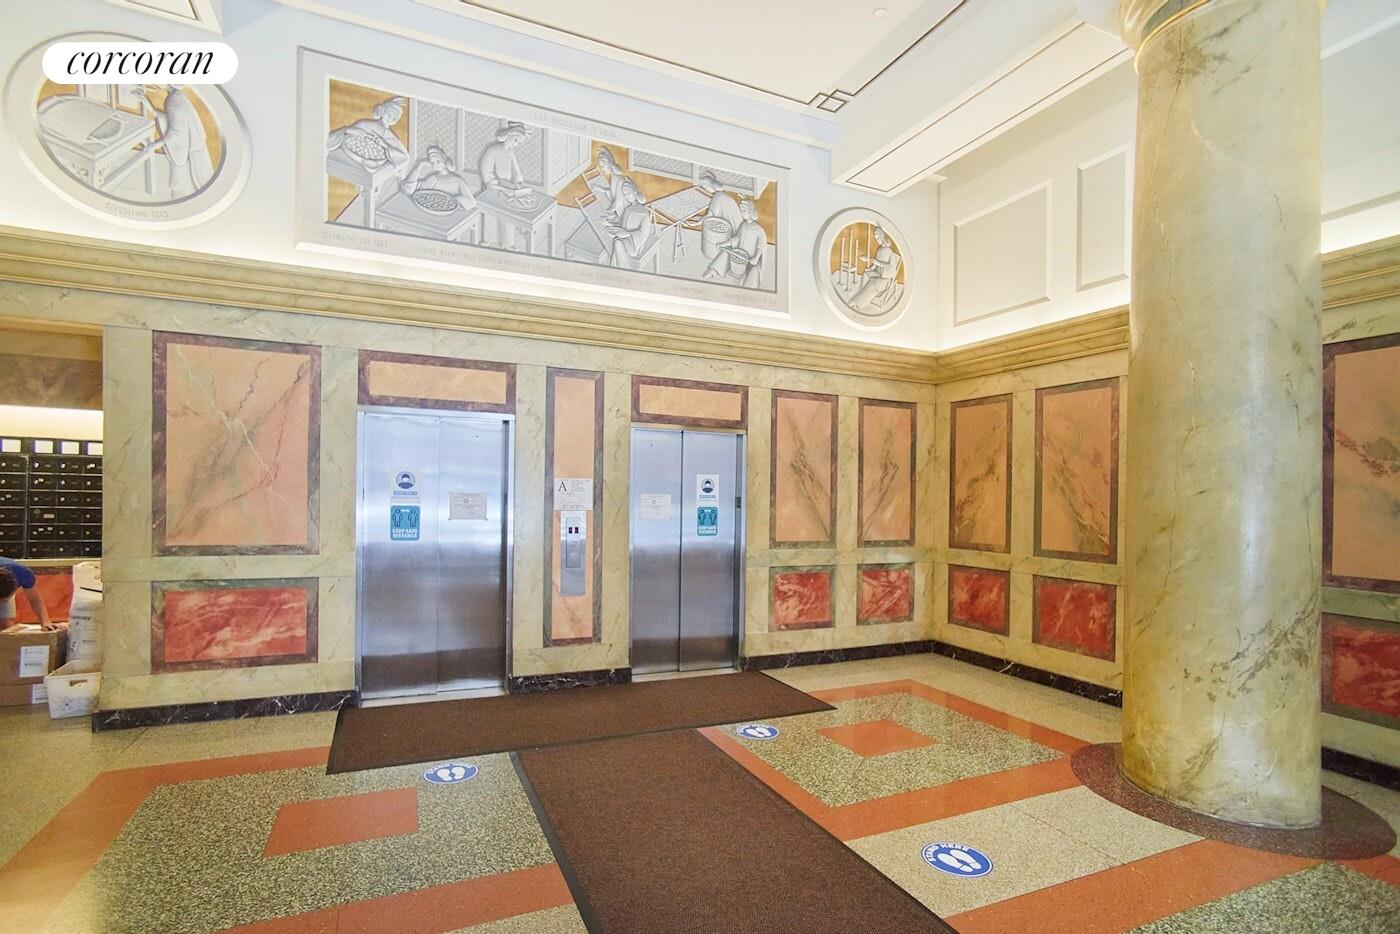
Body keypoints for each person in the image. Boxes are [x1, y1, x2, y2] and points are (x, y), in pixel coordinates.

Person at [135, 85, 215, 197]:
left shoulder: (173, 100)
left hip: (189, 151)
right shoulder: (178, 96)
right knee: (204, 184)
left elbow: (176, 132)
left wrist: (155, 144)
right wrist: (150, 106)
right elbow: (174, 124)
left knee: (193, 188)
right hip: (195, 144)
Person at [327, 96, 411, 176]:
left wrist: (384, 145)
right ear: (382, 111)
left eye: (394, 119)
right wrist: (353, 131)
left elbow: (404, 157)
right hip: (346, 160)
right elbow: (333, 137)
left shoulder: (391, 136)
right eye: (389, 115)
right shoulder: (365, 124)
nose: (390, 119)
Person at [704, 197, 766, 287]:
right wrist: (724, 244)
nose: (742, 213)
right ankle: (714, 270)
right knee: (726, 253)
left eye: (743, 211)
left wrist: (756, 258)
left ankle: (747, 285)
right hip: (739, 253)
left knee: (754, 271)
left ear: (750, 212)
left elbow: (761, 246)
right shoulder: (743, 225)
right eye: (741, 211)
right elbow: (736, 238)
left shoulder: (759, 230)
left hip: (750, 259)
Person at [401, 145, 477, 212]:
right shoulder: (433, 179)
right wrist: (420, 165)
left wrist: (452, 200)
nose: (435, 165)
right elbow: (409, 189)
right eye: (432, 162)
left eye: (438, 161)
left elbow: (471, 203)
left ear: (444, 160)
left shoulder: (458, 181)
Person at [850, 226, 903, 312]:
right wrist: (870, 269)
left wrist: (877, 263)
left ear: (882, 236)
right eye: (876, 238)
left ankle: (858, 303)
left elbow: (891, 269)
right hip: (878, 274)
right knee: (866, 275)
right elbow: (875, 264)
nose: (877, 239)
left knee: (872, 285)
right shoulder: (879, 250)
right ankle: (858, 295)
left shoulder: (889, 251)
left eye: (878, 237)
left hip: (885, 278)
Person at [605, 179, 654, 269]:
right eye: (625, 195)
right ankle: (619, 268)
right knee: (617, 239)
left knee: (618, 242)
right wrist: (610, 224)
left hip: (635, 244)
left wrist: (627, 234)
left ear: (635, 192)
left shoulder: (643, 212)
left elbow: (644, 233)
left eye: (628, 193)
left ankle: (622, 268)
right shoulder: (629, 209)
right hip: (626, 237)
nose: (626, 196)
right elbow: (623, 225)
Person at [697, 172, 743, 259]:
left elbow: (710, 215)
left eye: (705, 186)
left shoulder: (718, 196)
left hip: (733, 228)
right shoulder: (723, 195)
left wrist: (699, 221)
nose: (705, 188)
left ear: (711, 185)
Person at [0, 556, 53, 629]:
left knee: (5, 624)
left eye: (5, 599)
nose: (4, 602)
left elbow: (34, 598)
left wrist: (45, 622)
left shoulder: (22, 573)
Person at [477, 122, 531, 194]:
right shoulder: (493, 150)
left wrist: (519, 182)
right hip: (495, 188)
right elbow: (487, 175)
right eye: (515, 140)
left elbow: (516, 171)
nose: (515, 144)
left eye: (518, 143)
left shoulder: (510, 153)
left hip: (507, 185)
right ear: (508, 135)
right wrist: (501, 187)